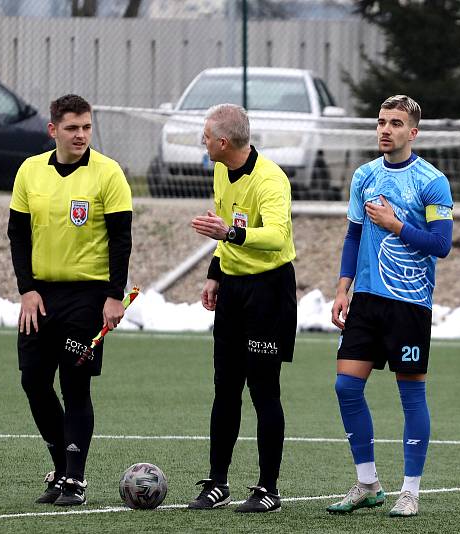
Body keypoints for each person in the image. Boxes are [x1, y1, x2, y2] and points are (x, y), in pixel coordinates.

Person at [327, 95, 454, 518]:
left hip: (409, 303)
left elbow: (441, 245)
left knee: (411, 396)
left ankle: (410, 491)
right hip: (365, 300)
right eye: (381, 122)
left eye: (396, 123)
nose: (385, 129)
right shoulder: (363, 176)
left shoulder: (432, 181)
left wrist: (396, 225)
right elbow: (352, 236)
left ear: (412, 132)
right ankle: (367, 483)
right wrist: (343, 287)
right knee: (346, 387)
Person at [7, 94, 133, 506]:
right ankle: (61, 467)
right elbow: (18, 235)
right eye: (72, 128)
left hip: (88, 294)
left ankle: (74, 480)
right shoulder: (29, 171)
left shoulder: (108, 173)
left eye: (86, 127)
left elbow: (121, 239)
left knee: (75, 385)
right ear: (53, 130)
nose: (81, 135)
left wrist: (115, 296)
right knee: (32, 381)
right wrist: (26, 289)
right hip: (40, 294)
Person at [189, 103, 296, 514]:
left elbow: (276, 236)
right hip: (233, 291)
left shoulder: (271, 179)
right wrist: (215, 272)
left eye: (205, 134)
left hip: (269, 292)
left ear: (222, 141)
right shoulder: (220, 168)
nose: (202, 140)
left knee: (264, 390)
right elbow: (225, 224)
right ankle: (218, 482)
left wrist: (230, 233)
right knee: (225, 387)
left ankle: (268, 489)